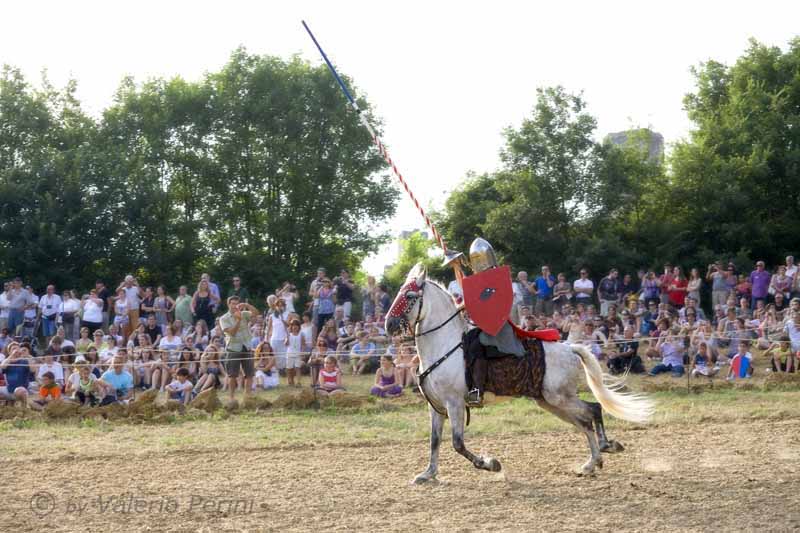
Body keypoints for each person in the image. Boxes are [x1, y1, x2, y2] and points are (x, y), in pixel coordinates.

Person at [219, 295, 259, 403]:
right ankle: (232, 397)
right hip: (233, 348)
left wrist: (246, 305)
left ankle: (247, 397)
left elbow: (256, 314)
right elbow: (232, 332)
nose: (235, 306)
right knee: (232, 375)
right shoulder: (224, 318)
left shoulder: (243, 313)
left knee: (249, 374)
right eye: (232, 303)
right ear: (228, 304)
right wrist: (238, 320)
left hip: (246, 346)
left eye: (236, 303)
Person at [284, 319, 305, 387]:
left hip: (298, 353)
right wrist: (287, 336)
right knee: (289, 368)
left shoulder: (301, 334)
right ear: (291, 326)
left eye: (296, 325)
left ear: (299, 326)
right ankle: (290, 381)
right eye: (293, 325)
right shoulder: (289, 334)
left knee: (297, 368)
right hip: (290, 353)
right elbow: (286, 344)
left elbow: (303, 344)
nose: (295, 327)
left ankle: (298, 382)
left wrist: (302, 353)